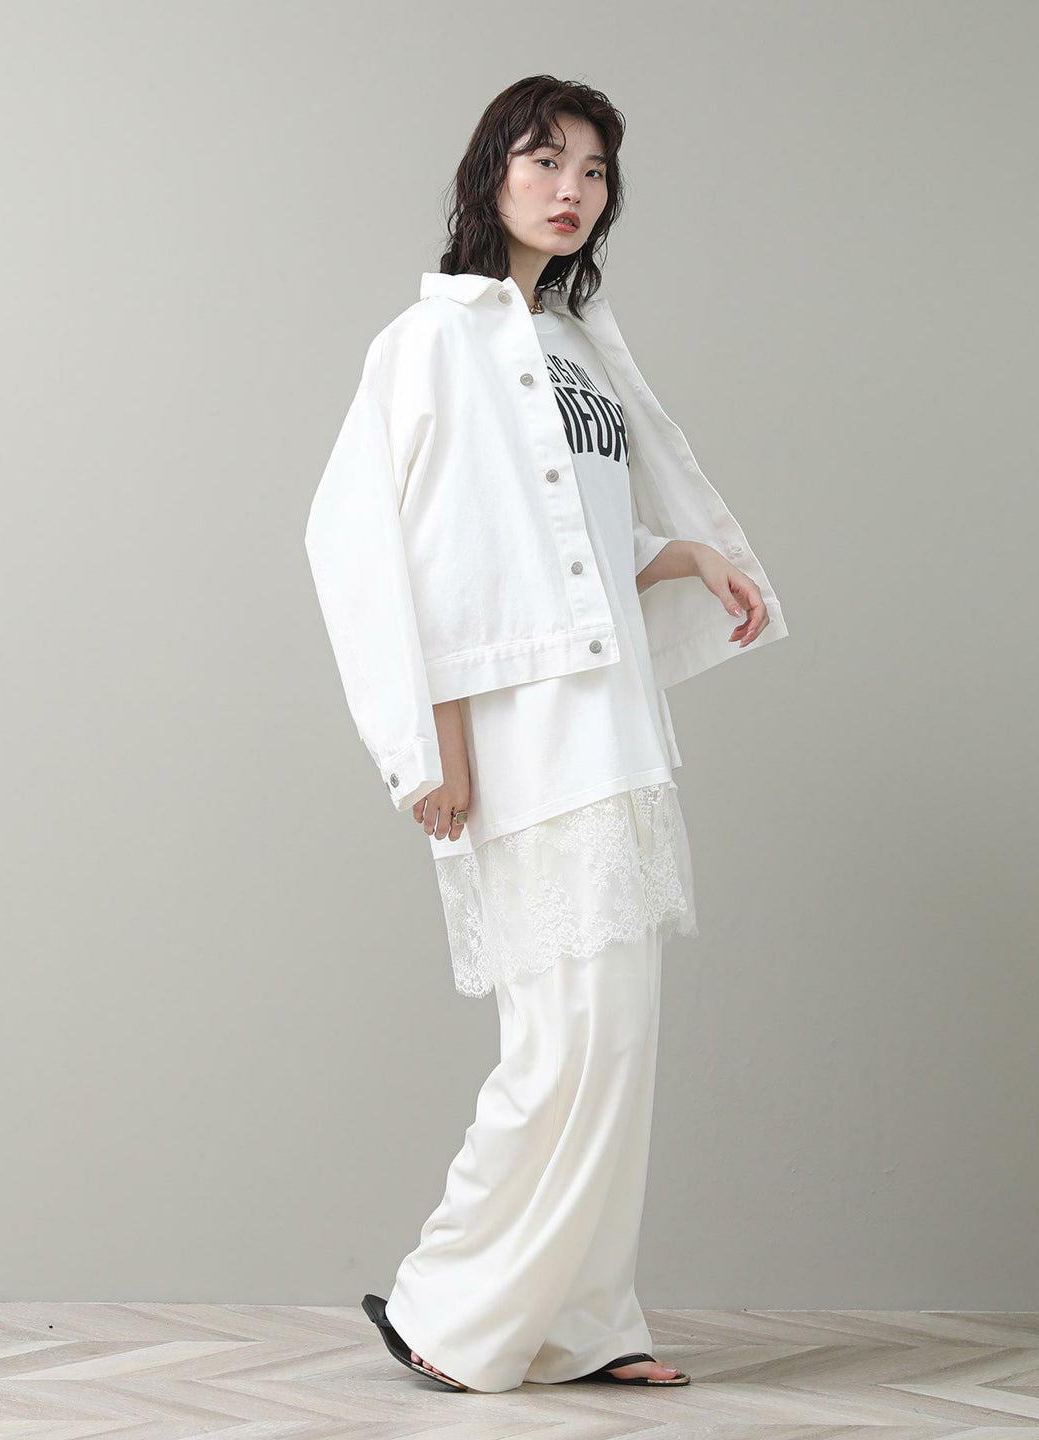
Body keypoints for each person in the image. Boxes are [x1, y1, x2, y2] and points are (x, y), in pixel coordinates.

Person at [305, 75, 789, 1394]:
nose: (572, 189)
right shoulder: (430, 341)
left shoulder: (577, 350)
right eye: (545, 160)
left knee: (618, 1036)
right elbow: (389, 554)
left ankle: (582, 1322)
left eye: (594, 170)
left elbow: (563, 551)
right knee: (560, 1038)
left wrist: (683, 553)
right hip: (513, 729)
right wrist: (432, 745)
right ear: (491, 173)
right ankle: (445, 1307)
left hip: (613, 725)